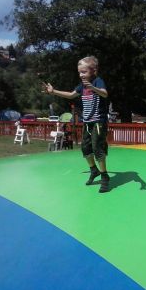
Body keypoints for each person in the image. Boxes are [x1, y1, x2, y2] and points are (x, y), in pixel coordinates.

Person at [42, 56, 110, 193]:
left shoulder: (98, 81)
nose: (81, 75)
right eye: (79, 72)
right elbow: (71, 94)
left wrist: (93, 88)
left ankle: (105, 177)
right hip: (87, 122)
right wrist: (53, 91)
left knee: (97, 148)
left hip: (98, 122)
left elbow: (105, 94)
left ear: (93, 71)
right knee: (85, 148)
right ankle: (94, 170)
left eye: (84, 72)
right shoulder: (82, 86)